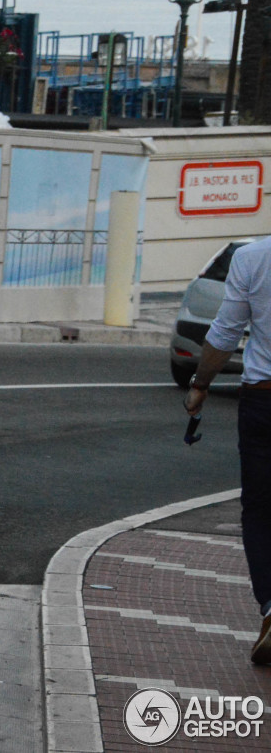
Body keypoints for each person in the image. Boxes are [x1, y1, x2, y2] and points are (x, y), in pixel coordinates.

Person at [184, 234, 271, 664]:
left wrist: (200, 385)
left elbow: (226, 331)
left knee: (259, 508)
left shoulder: (253, 257)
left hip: (264, 401)